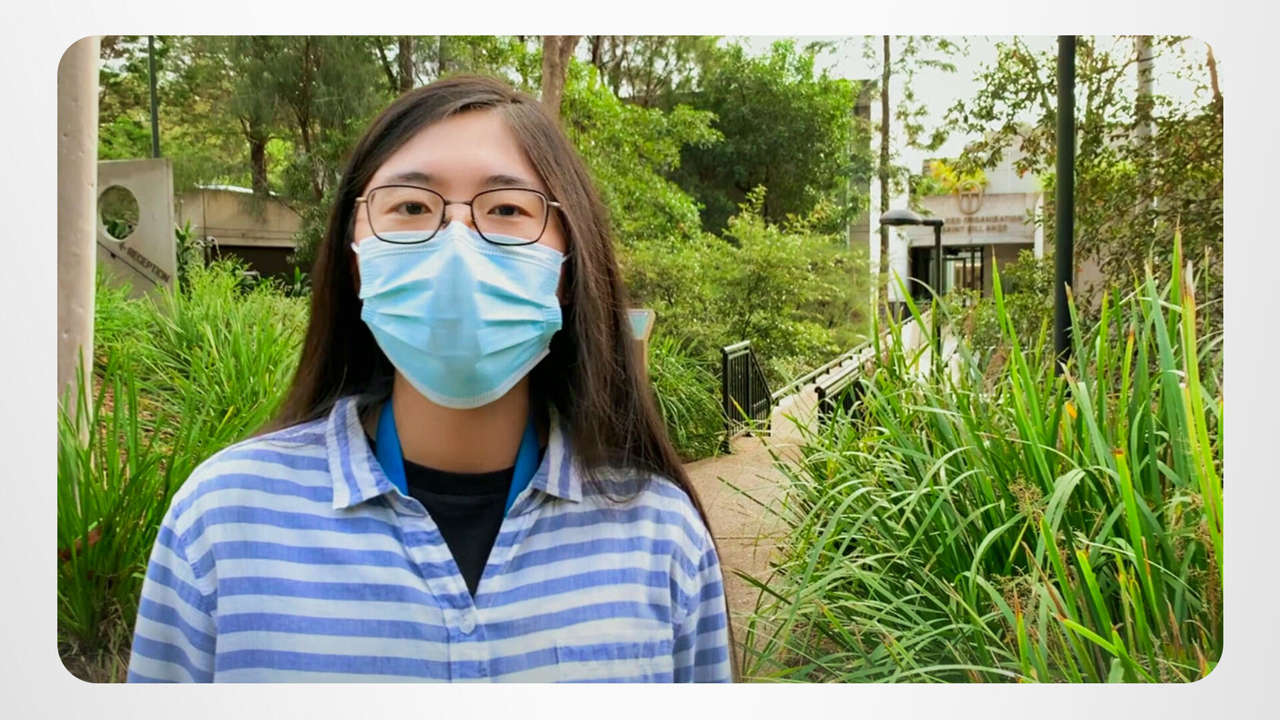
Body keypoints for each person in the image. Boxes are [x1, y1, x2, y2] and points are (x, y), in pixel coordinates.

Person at [125, 74, 734, 683]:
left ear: (570, 266)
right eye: (412, 207)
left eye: (507, 209)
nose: (456, 247)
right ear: (355, 259)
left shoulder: (661, 535)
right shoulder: (223, 521)